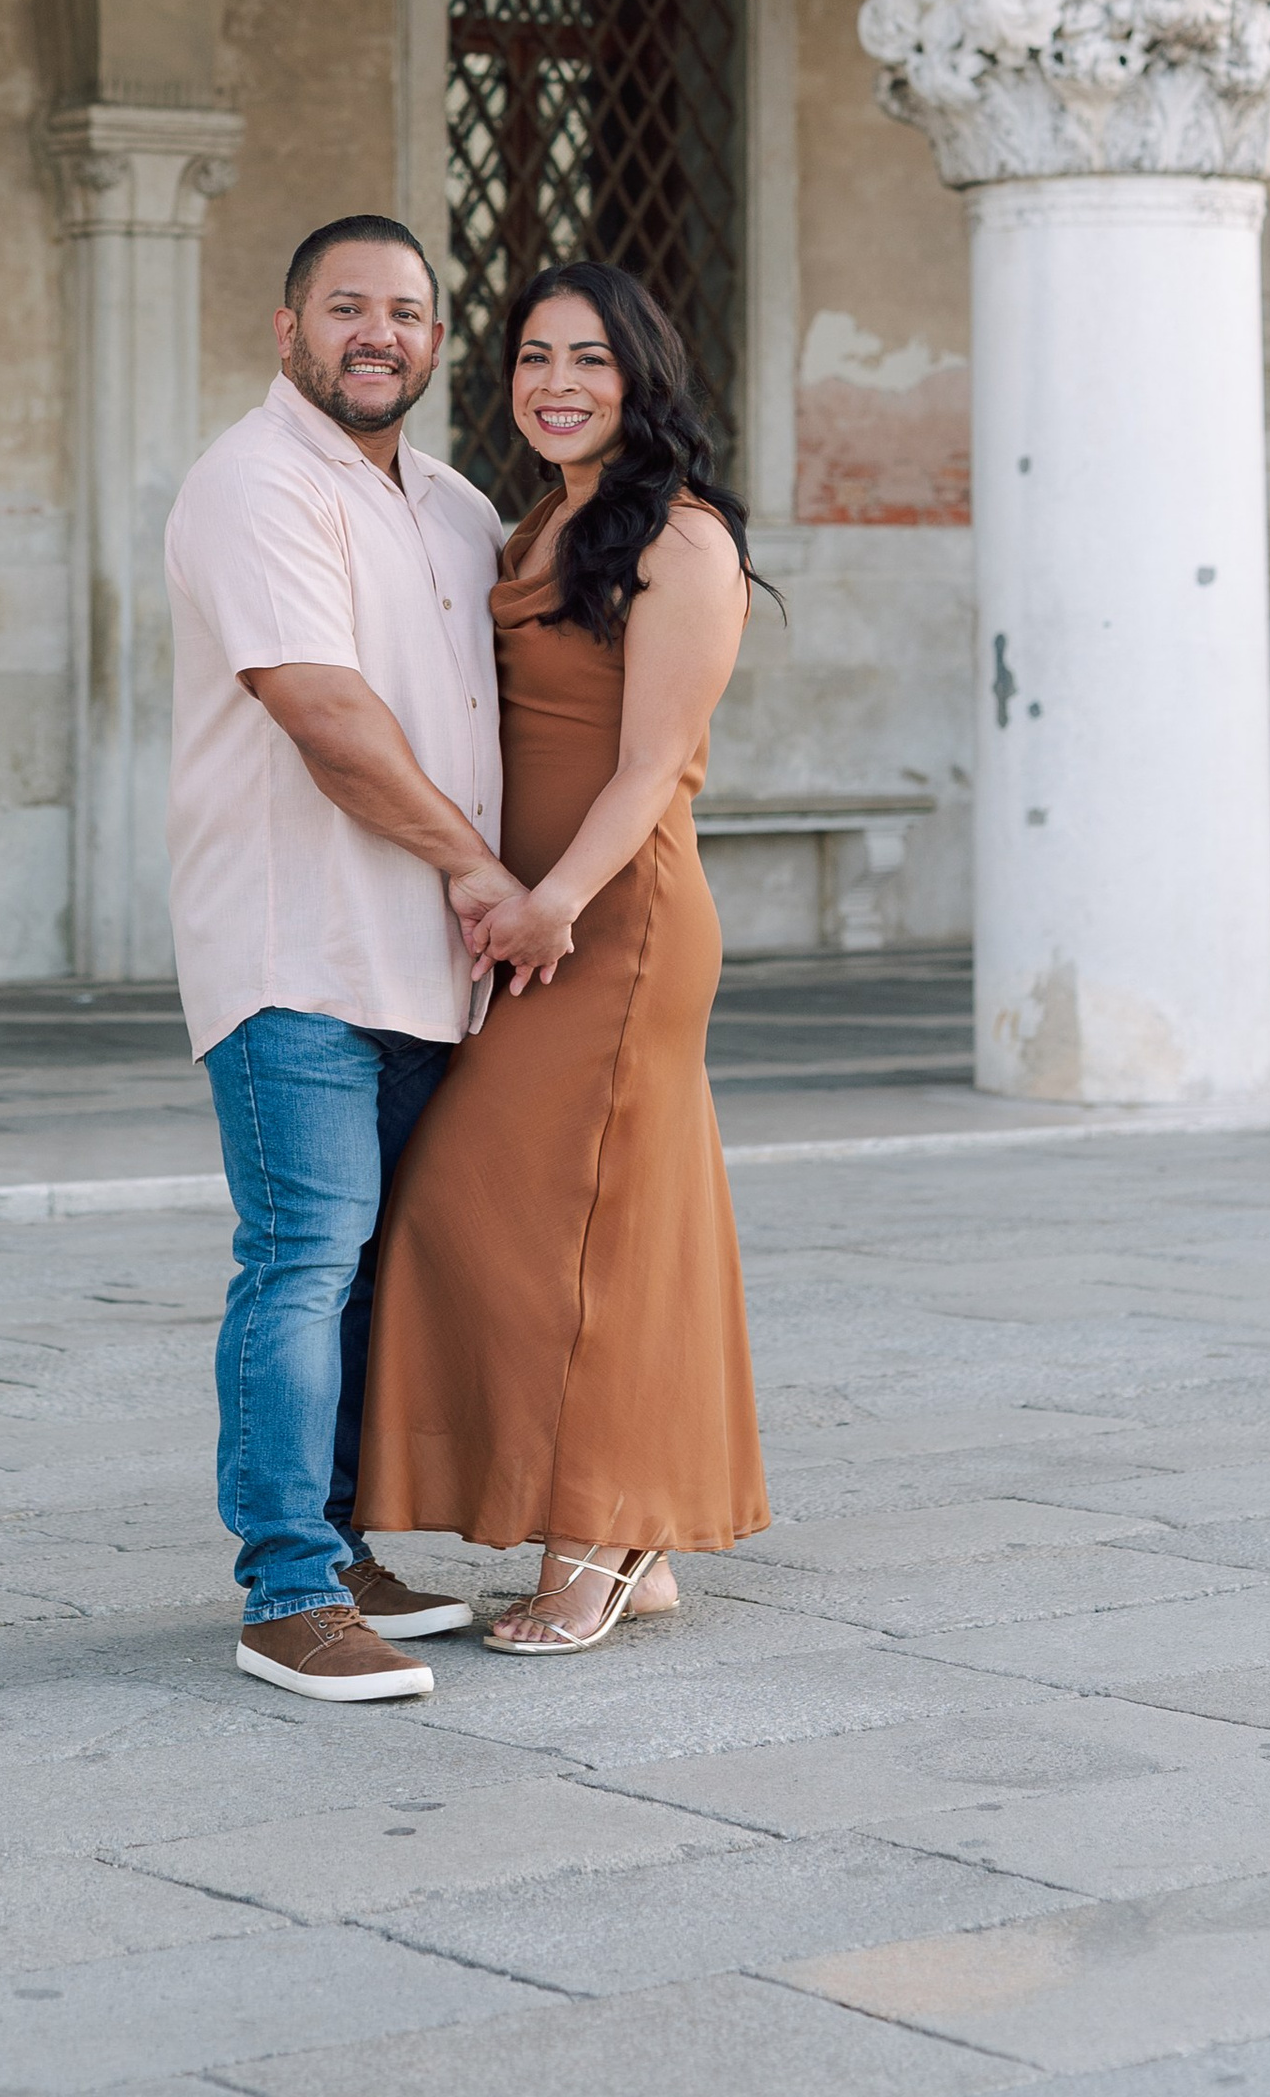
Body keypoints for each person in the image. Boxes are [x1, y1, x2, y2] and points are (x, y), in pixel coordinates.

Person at [356, 259, 769, 1650]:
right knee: (582, 1226)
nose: (556, 384)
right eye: (535, 357)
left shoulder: (683, 542)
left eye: (588, 359)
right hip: (540, 915)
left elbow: (653, 762)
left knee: (551, 1226)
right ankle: (631, 1533)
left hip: (619, 923)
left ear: (640, 376)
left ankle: (591, 1538)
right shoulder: (542, 522)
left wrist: (553, 904)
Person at [163, 214, 523, 1704]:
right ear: (286, 326)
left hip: (432, 960)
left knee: (374, 1268)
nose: (379, 333)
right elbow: (325, 715)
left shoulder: (452, 505)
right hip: (293, 946)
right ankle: (287, 1590)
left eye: (408, 313)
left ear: (437, 342)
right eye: (347, 307)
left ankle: (347, 1544)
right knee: (305, 1258)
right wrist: (479, 871)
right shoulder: (250, 485)